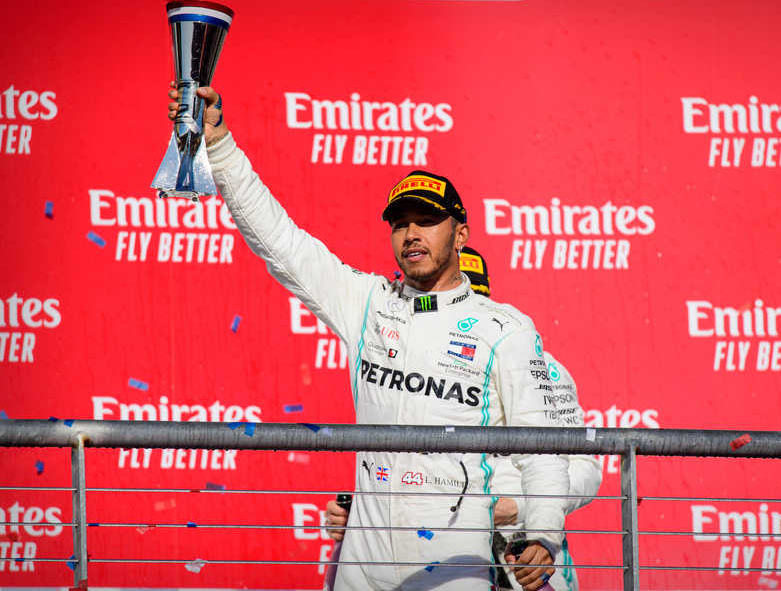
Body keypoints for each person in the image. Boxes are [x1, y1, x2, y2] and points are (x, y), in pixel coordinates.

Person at [166, 85, 568, 591]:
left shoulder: (506, 328)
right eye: (400, 224)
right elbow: (280, 241)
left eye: (427, 222)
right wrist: (220, 144)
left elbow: (544, 448)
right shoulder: (369, 303)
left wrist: (545, 535)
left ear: (461, 235)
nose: (411, 234)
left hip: (452, 569)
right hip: (363, 567)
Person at [328, 248, 603, 591]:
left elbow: (585, 469)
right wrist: (358, 514)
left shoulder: (540, 367)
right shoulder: (413, 369)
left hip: (520, 552)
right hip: (440, 551)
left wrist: (518, 507)